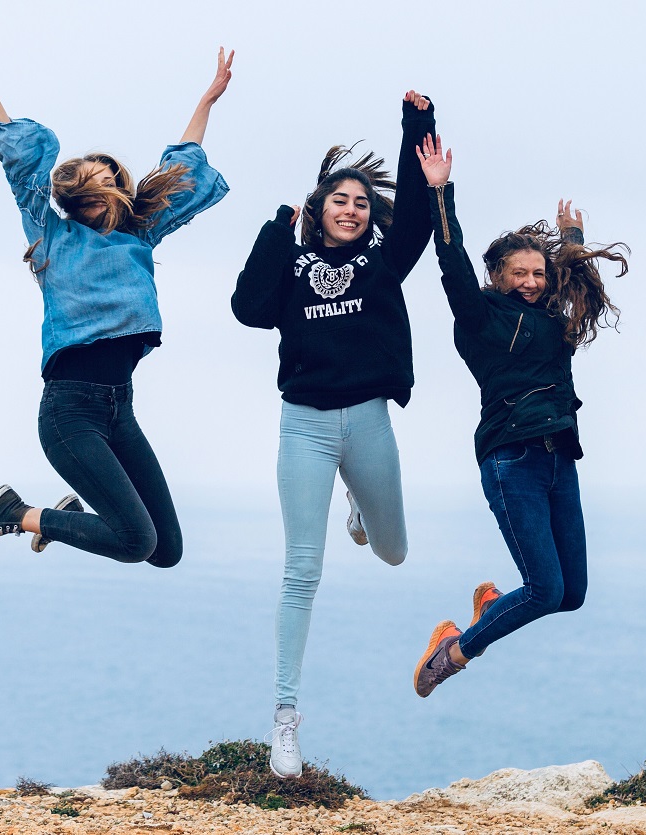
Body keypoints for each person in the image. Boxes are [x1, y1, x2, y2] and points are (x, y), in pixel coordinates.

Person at [0, 21, 231, 568]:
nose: (106, 189)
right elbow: (19, 162)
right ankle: (16, 512)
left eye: (112, 180)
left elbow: (183, 166)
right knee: (133, 541)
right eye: (93, 183)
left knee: (164, 551)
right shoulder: (50, 236)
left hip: (118, 408)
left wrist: (207, 100)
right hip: (69, 410)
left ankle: (69, 518)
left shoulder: (137, 236)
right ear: (77, 195)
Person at [231, 92, 436, 777]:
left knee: (394, 550)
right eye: (337, 200)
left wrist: (417, 127)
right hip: (306, 428)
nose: (351, 207)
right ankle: (284, 721)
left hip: (369, 421)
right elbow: (247, 309)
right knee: (301, 570)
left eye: (359, 202)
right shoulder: (289, 271)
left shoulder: (383, 264)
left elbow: (413, 219)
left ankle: (360, 501)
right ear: (317, 210)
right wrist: (273, 229)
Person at [406, 135, 627, 698]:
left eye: (538, 272)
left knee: (570, 593)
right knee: (544, 589)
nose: (531, 281)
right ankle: (453, 650)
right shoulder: (480, 316)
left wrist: (572, 241)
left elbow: (577, 288)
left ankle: (487, 607)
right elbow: (451, 260)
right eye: (519, 273)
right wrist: (440, 193)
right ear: (499, 276)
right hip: (512, 459)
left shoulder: (551, 317)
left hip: (559, 458)